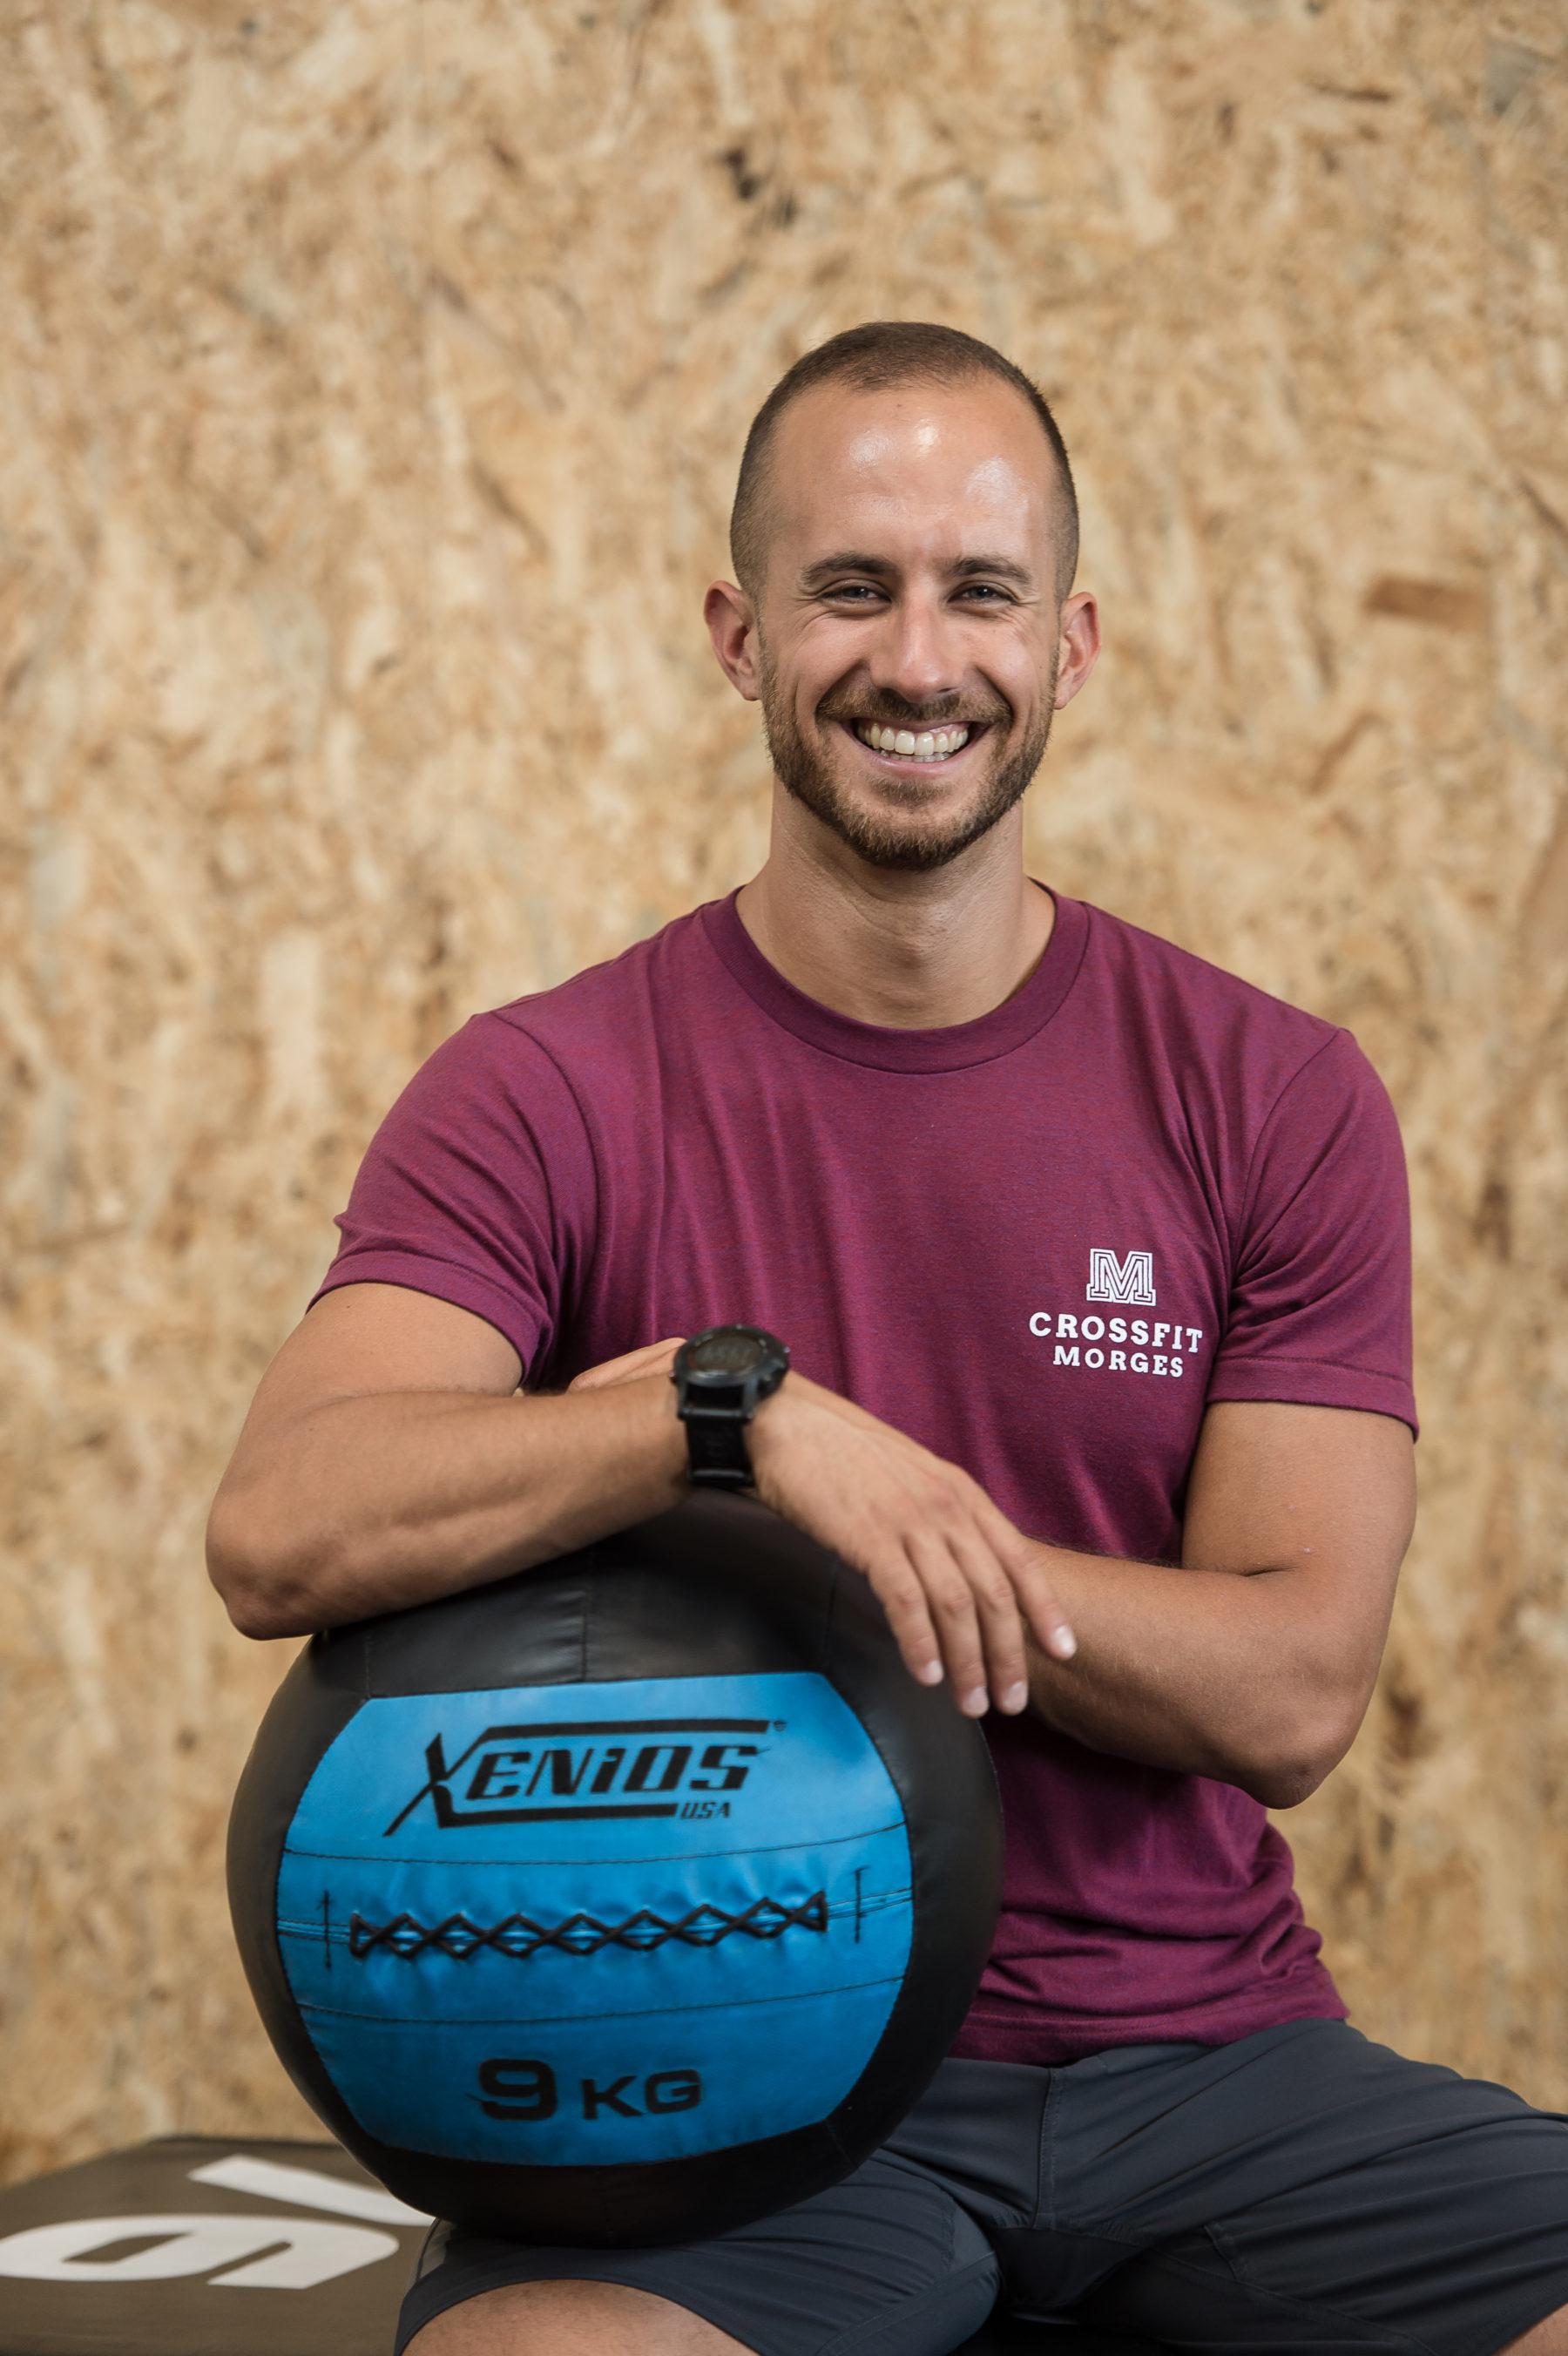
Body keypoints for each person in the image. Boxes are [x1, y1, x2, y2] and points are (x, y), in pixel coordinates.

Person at [208, 322, 1568, 2356]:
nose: (919, 659)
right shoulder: (545, 1089)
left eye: (979, 590)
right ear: (739, 635)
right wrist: (725, 1419)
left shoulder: (1269, 1091)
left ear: (1070, 644)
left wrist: (902, 1536)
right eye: (851, 586)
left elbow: (1292, 1684)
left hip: (1209, 2060)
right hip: (735, 2082)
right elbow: (281, 1525)